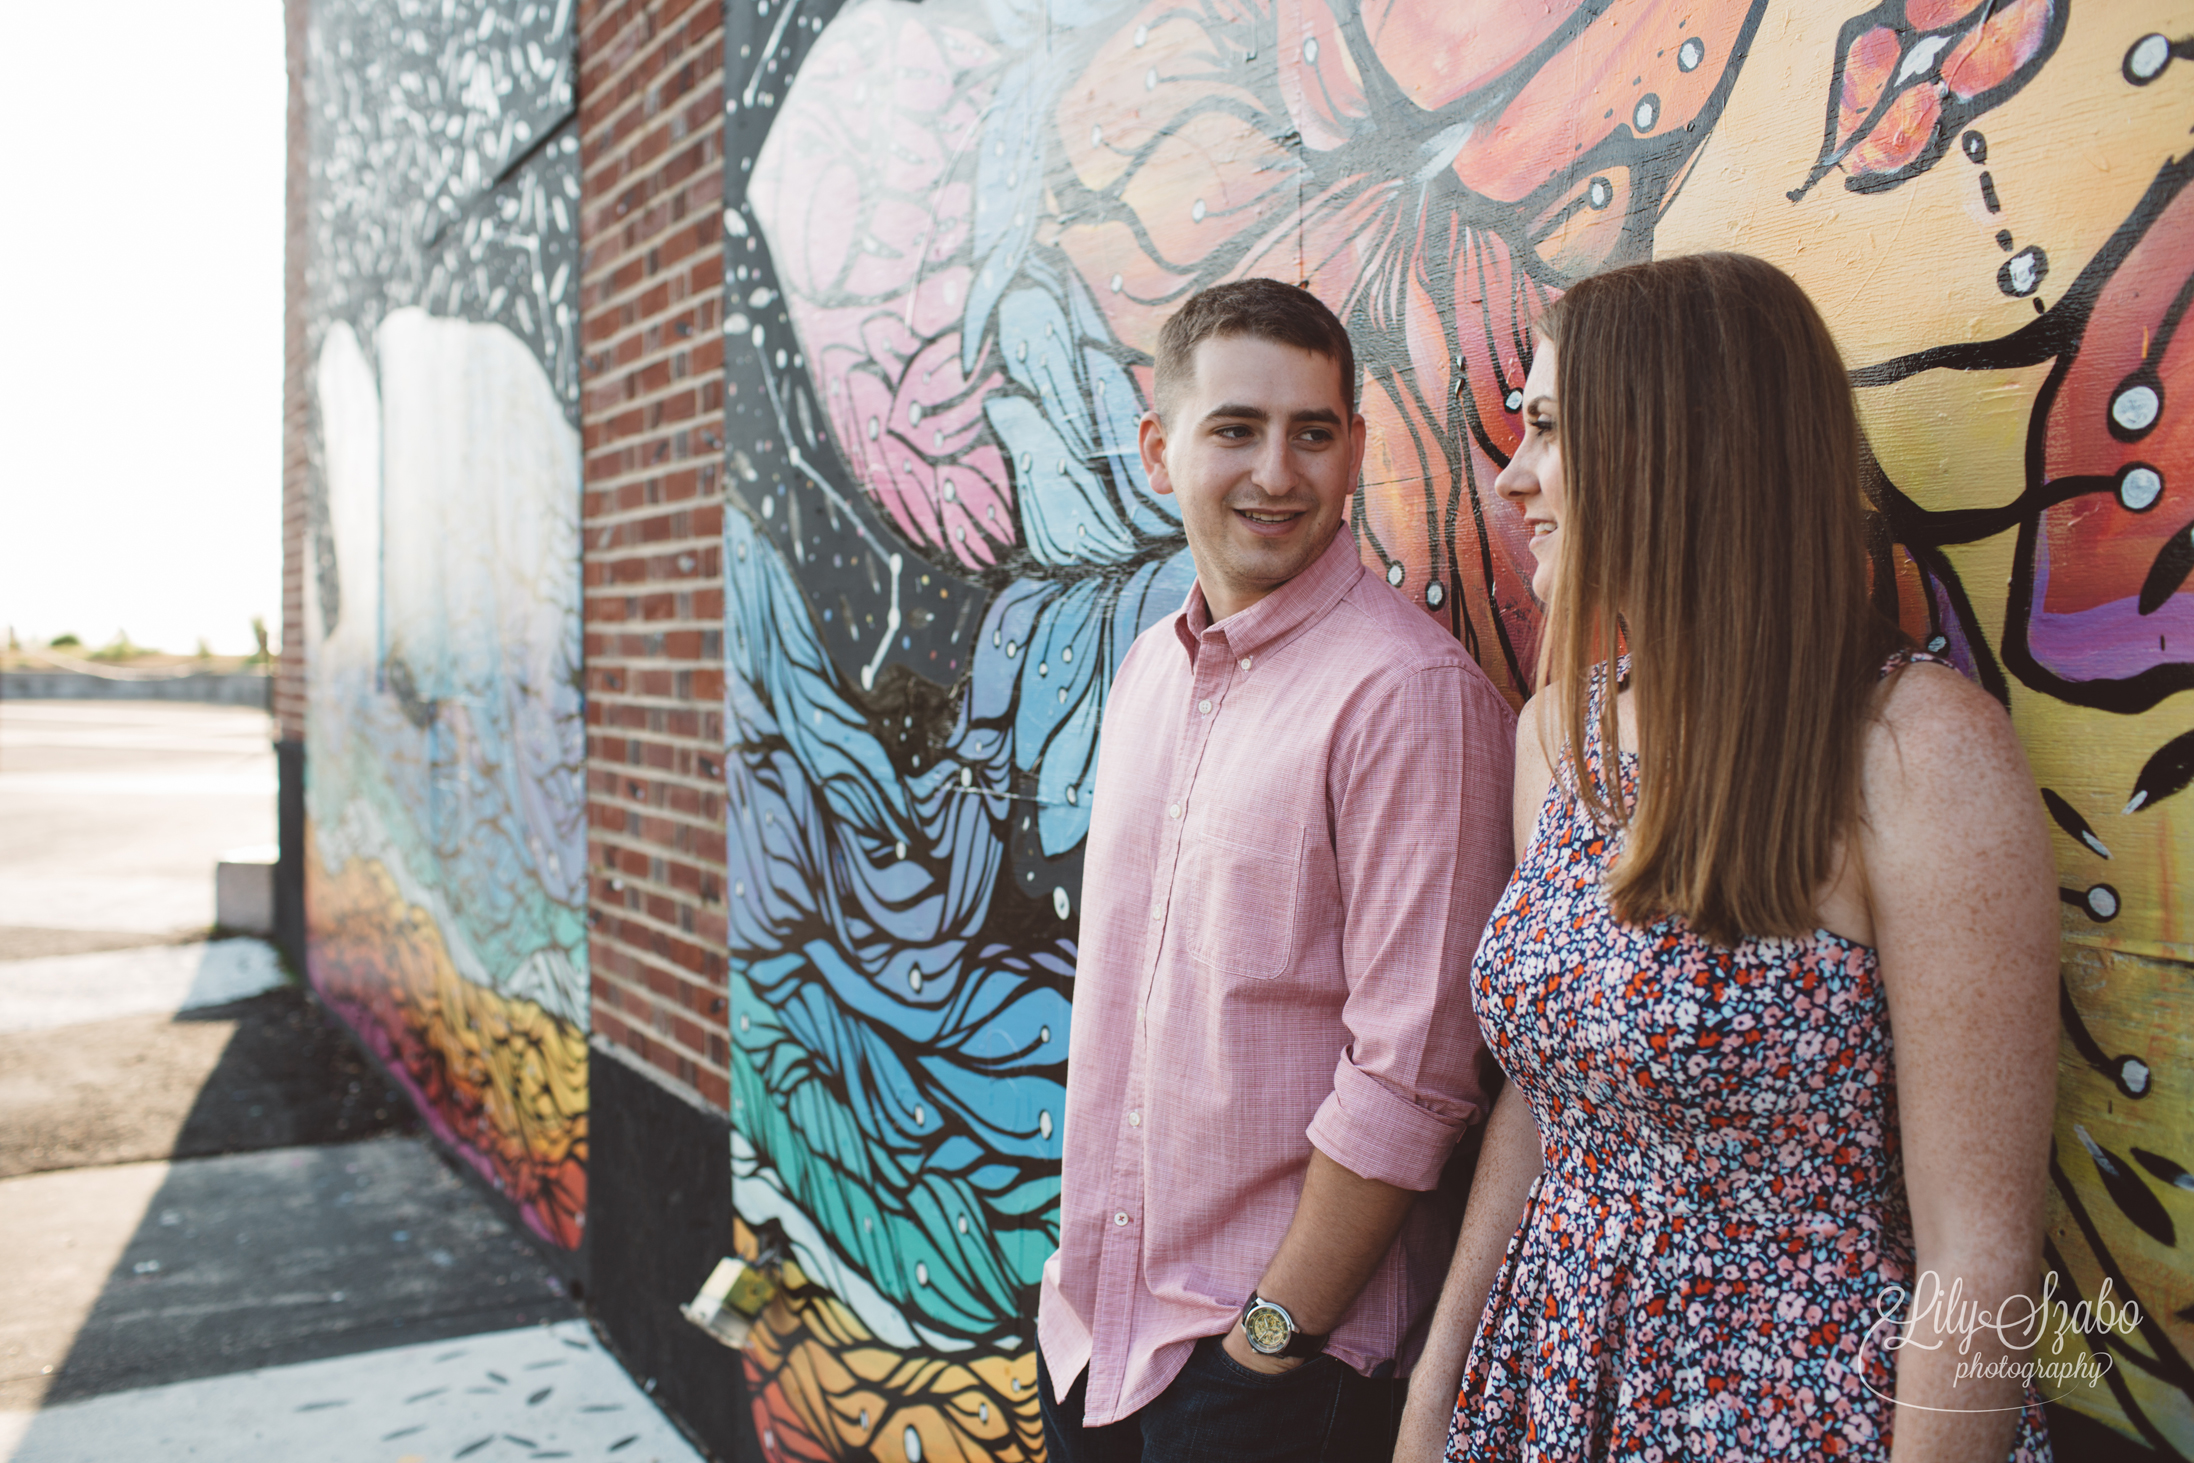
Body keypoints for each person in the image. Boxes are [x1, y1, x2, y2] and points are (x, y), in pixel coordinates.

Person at [1393, 253, 2059, 1461]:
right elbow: (1550, 1106)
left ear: (1674, 447)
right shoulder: (1564, 728)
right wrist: (1433, 1393)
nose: (1513, 480)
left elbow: (1980, 1258)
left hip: (1798, 1416)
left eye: (1547, 428)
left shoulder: (1909, 751)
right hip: (1547, 1388)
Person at [1035, 277, 1519, 1461]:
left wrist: (1270, 1336)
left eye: (1313, 433)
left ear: (1356, 450)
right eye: (1235, 429)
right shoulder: (1150, 668)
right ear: (1159, 449)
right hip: (1095, 1327)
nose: (1277, 472)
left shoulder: (1407, 697)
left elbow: (1416, 1074)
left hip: (1268, 1370)